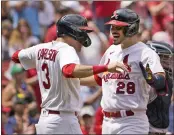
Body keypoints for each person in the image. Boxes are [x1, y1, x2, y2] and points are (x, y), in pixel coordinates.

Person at [11, 14, 128, 134]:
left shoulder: (41, 48)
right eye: (82, 32)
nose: (84, 37)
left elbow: (16, 56)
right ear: (72, 31)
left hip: (46, 120)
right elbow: (69, 70)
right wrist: (106, 67)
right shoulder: (67, 49)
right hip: (63, 120)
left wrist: (102, 78)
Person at [80, 8, 168, 134]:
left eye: (118, 27)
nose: (113, 31)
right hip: (108, 121)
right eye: (112, 27)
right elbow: (99, 79)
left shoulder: (145, 53)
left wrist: (153, 80)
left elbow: (161, 81)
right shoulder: (111, 51)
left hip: (132, 121)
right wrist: (73, 80)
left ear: (131, 28)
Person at [146, 41, 173, 135]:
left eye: (169, 58)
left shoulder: (168, 79)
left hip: (163, 130)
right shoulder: (144, 78)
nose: (168, 62)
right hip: (146, 129)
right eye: (164, 58)